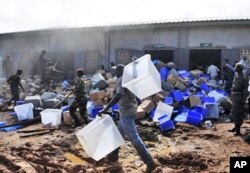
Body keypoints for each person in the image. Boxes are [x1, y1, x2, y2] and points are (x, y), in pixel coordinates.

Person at [98, 64, 156, 173]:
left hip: (126, 112)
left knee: (135, 138)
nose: (114, 73)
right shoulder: (129, 79)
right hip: (130, 109)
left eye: (115, 71)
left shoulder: (120, 80)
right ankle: (114, 155)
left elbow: (119, 95)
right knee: (119, 132)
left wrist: (106, 108)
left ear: (120, 71)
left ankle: (150, 162)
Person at [228, 63, 248, 136]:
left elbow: (245, 90)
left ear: (239, 69)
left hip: (239, 97)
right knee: (233, 112)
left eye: (236, 68)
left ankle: (238, 130)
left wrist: (244, 99)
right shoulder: (236, 76)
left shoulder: (244, 77)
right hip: (234, 96)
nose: (235, 69)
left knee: (238, 113)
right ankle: (235, 127)